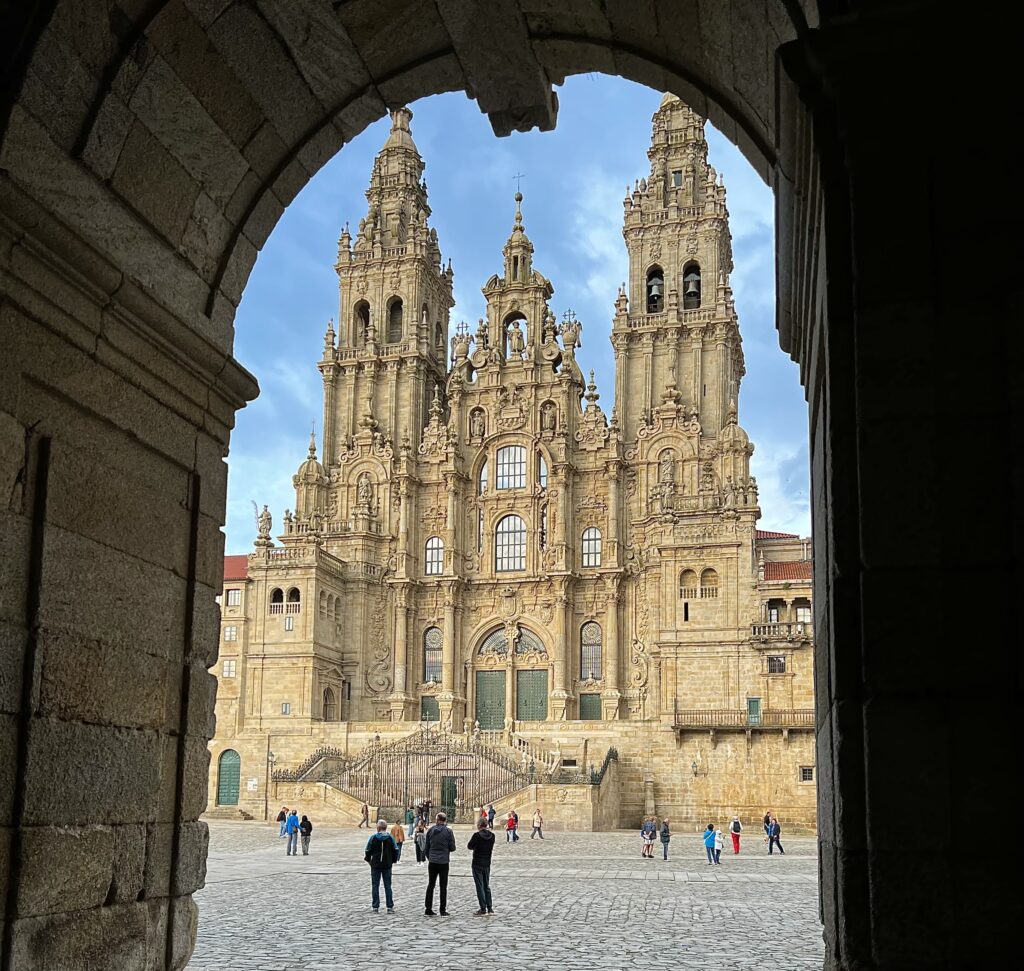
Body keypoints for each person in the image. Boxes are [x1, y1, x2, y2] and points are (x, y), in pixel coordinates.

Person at [424, 811, 456, 916]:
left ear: (437, 820)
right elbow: (452, 848)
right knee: (443, 886)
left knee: (431, 884)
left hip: (433, 861)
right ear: (445, 820)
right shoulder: (448, 832)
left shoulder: (430, 831)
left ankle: (428, 908)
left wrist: (430, 857)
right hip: (444, 861)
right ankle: (442, 909)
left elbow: (426, 848)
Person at [364, 818, 398, 913]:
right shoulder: (390, 838)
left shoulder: (373, 837)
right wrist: (393, 860)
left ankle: (375, 906)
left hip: (375, 865)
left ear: (378, 828)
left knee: (375, 885)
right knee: (388, 886)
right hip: (387, 865)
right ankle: (389, 906)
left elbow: (367, 850)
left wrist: (368, 860)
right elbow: (396, 850)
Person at [468, 816, 496, 915]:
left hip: (477, 862)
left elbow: (470, 846)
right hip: (487, 862)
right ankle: (490, 907)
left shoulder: (477, 835)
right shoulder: (492, 836)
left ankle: (483, 907)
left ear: (479, 825)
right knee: (486, 885)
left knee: (479, 885)